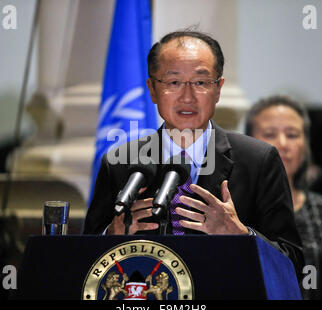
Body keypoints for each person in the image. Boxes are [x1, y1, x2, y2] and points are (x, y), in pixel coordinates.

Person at [83, 31, 304, 279]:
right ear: (152, 90)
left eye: (200, 82)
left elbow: (293, 265)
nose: (187, 97)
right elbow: (84, 265)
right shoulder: (120, 163)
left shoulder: (259, 161)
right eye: (173, 82)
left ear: (218, 89)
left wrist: (242, 236)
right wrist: (111, 237)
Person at [245, 95, 322, 299]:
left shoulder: (320, 211)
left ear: (305, 145)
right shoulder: (234, 211)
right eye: (270, 134)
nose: (282, 144)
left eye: (292, 134)